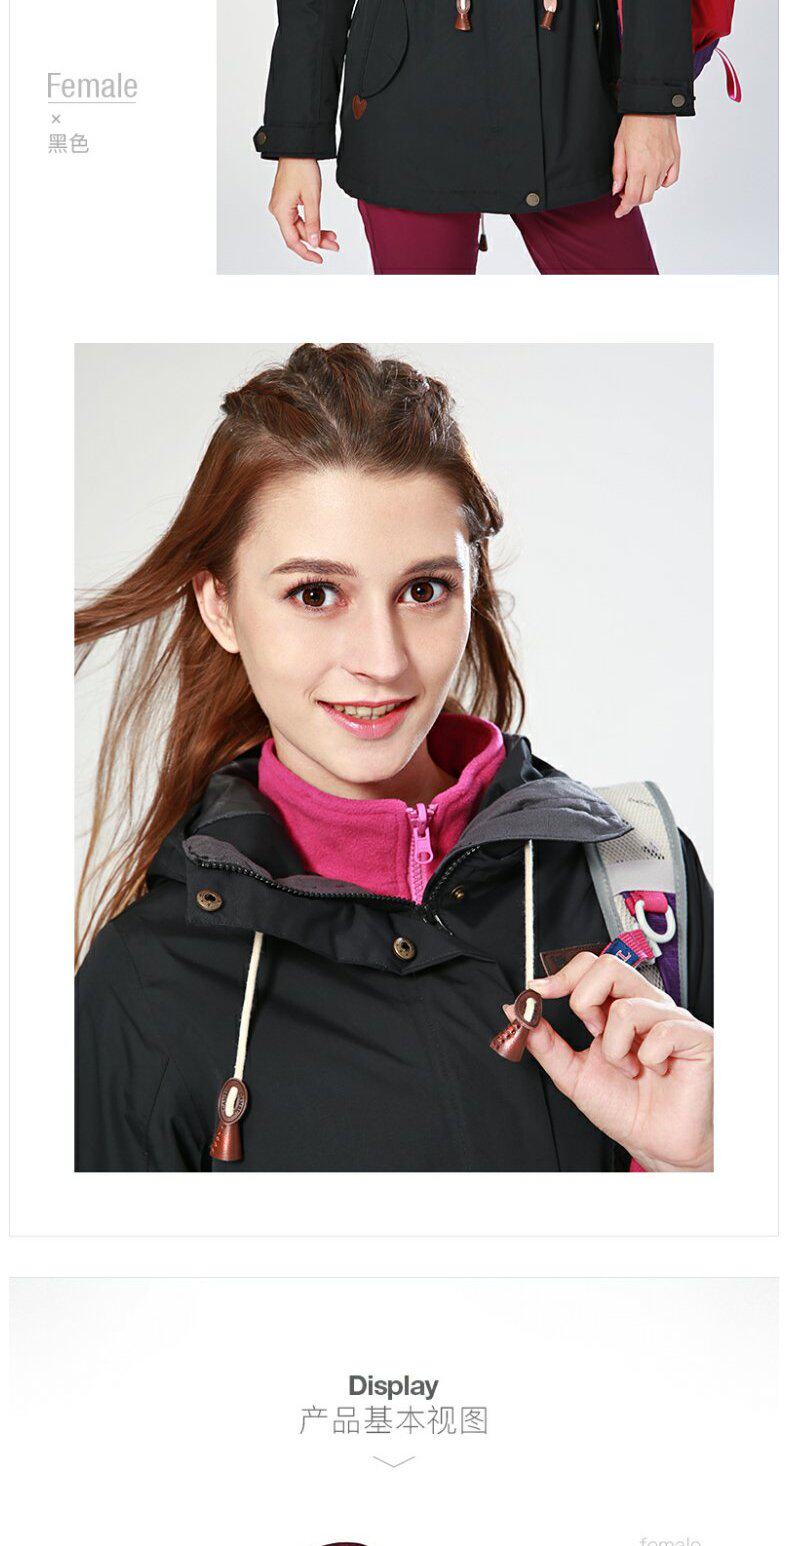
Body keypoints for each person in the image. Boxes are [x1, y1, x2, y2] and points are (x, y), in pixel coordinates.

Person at [75, 342, 713, 1172]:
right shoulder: (144, 980)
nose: (380, 660)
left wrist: (706, 1166)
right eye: (315, 594)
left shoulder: (641, 881)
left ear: (473, 588)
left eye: (422, 590)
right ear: (220, 607)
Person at [257, 0, 695, 274]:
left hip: (571, 91)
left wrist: (653, 103)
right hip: (408, 108)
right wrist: (295, 144)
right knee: (420, 360)